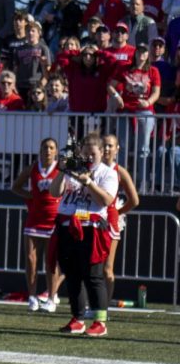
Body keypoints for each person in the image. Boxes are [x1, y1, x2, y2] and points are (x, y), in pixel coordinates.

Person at [49, 132, 118, 337]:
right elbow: (54, 192)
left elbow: (106, 200)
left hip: (91, 227)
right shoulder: (74, 169)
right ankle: (77, 318)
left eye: (92, 154)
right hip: (68, 225)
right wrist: (63, 171)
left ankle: (100, 321)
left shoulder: (108, 173)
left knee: (93, 276)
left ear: (101, 153)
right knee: (72, 276)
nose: (88, 158)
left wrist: (89, 183)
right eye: (85, 153)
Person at [12, 137, 62, 313]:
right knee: (31, 260)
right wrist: (30, 197)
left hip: (53, 221)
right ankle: (32, 297)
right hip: (34, 219)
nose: (48, 151)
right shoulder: (33, 168)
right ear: (40, 150)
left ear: (56, 151)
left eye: (51, 148)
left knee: (51, 262)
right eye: (45, 147)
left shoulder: (60, 169)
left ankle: (51, 298)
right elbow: (15, 187)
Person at [99, 133, 140, 304]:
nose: (107, 149)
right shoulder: (94, 168)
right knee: (91, 267)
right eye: (105, 145)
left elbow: (135, 200)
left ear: (117, 149)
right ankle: (91, 303)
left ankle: (104, 307)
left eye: (111, 145)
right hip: (91, 220)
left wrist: (118, 212)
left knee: (107, 268)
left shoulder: (119, 171)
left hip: (109, 223)